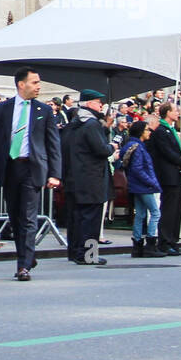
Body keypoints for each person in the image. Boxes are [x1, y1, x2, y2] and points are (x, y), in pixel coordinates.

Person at [0, 67, 61, 281]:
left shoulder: (44, 110)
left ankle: (23, 265)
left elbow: (53, 144)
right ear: (21, 84)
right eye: (34, 82)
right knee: (15, 217)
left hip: (32, 167)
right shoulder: (2, 109)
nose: (38, 86)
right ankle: (27, 254)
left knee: (28, 217)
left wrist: (55, 173)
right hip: (10, 167)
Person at [62, 90, 114, 265]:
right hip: (91, 179)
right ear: (89, 104)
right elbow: (101, 149)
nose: (101, 105)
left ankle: (74, 252)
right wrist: (113, 147)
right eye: (98, 102)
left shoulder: (73, 124)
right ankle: (89, 254)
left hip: (73, 178)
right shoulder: (91, 124)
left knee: (76, 218)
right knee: (91, 219)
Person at [145, 102, 181, 255]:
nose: (178, 113)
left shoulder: (170, 130)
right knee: (169, 210)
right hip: (167, 175)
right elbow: (167, 152)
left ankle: (173, 240)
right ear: (167, 112)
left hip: (176, 175)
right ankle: (164, 241)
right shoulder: (161, 131)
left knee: (176, 209)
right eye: (175, 110)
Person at [121, 120, 166, 257]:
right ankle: (151, 244)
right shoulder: (139, 147)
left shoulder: (131, 145)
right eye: (147, 130)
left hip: (135, 185)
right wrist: (152, 182)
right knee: (155, 212)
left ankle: (137, 244)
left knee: (140, 214)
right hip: (143, 186)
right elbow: (138, 169)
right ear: (141, 132)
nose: (149, 132)